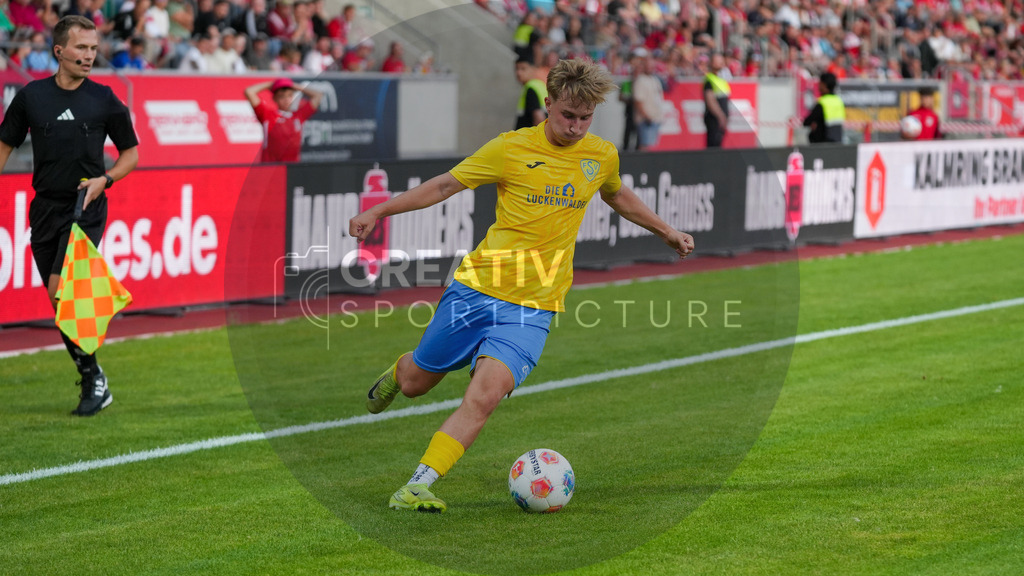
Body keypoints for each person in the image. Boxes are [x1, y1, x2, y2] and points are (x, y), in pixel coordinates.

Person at [348, 58, 695, 513]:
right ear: (547, 103)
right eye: (567, 115)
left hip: (534, 306)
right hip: (477, 289)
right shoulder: (509, 148)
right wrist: (378, 210)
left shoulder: (601, 155)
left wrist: (665, 230)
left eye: (585, 118)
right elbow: (445, 186)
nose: (575, 127)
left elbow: (616, 193)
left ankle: (417, 485)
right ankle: (399, 372)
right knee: (417, 383)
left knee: (485, 395)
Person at [0, 15, 139, 416]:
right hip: (43, 208)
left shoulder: (105, 99)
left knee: (62, 290)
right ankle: (94, 375)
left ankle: (93, 379)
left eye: (94, 48)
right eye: (82, 48)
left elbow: (131, 154)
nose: (90, 55)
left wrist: (105, 180)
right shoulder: (31, 97)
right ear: (59, 51)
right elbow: (5, 145)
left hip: (85, 206)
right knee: (59, 299)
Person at [244, 77, 322, 162]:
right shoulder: (267, 115)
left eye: (289, 96)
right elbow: (249, 92)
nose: (286, 100)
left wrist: (292, 85)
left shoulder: (299, 116)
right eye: (282, 96)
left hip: (291, 168)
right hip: (270, 167)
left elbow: (318, 96)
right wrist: (271, 84)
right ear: (274, 98)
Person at [632, 47, 664, 150]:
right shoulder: (640, 80)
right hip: (646, 120)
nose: (651, 68)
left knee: (652, 146)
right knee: (645, 146)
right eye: (648, 66)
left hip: (655, 118)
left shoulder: (654, 79)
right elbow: (638, 101)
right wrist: (646, 116)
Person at [803, 71, 845, 143]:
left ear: (824, 85)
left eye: (820, 83)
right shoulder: (839, 101)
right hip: (838, 141)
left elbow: (807, 122)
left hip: (823, 143)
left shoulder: (823, 102)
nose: (818, 86)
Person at [703, 51, 730, 148]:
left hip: (720, 117)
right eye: (719, 61)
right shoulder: (710, 79)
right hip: (714, 118)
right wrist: (721, 116)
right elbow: (710, 100)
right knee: (713, 145)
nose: (722, 63)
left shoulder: (721, 79)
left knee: (718, 144)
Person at [514, 54, 547, 129]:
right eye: (516, 69)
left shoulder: (530, 89)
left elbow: (539, 118)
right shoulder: (541, 85)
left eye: (523, 69)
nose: (518, 73)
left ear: (533, 69)